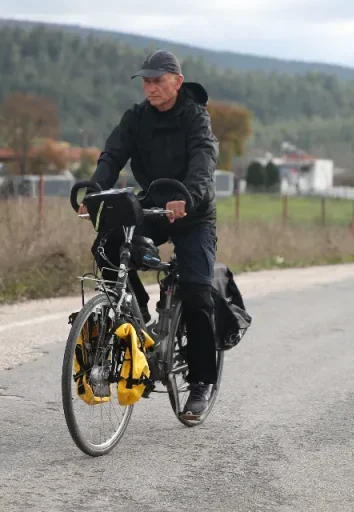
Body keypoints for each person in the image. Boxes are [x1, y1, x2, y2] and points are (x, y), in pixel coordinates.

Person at [78, 49, 220, 418]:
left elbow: (204, 162)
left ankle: (202, 381)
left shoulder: (195, 118)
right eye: (146, 81)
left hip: (192, 212)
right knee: (108, 245)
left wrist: (186, 196)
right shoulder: (136, 118)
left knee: (196, 290)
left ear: (177, 81)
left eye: (157, 80)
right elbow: (112, 155)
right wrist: (94, 192)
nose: (150, 87)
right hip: (152, 207)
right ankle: (135, 311)